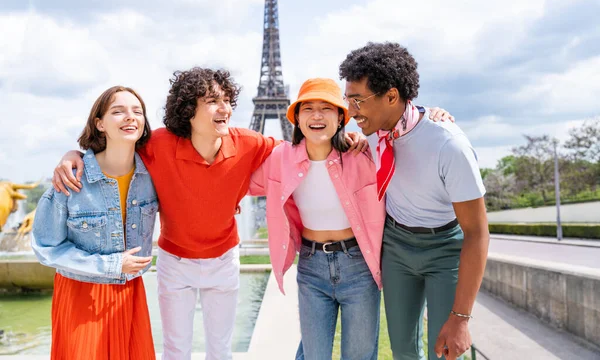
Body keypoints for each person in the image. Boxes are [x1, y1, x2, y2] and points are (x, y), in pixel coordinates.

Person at [50, 68, 368, 360]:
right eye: (213, 101)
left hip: (223, 260)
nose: (225, 108)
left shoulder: (248, 142)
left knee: (220, 350)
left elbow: (301, 149)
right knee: (176, 349)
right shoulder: (157, 144)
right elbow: (115, 147)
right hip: (175, 262)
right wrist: (74, 154)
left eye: (227, 101)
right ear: (189, 110)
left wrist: (345, 138)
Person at [248, 78, 454, 360]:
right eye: (308, 108)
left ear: (341, 117)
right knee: (314, 355)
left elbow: (403, 129)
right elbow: (240, 179)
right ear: (296, 117)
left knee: (359, 355)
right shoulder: (280, 158)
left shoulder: (363, 153)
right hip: (311, 266)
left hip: (358, 266)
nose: (317, 115)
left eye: (326, 108)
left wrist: (430, 113)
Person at [339, 42, 489, 360]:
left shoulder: (449, 145)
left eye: (357, 101)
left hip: (445, 249)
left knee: (445, 351)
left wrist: (461, 318)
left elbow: (476, 232)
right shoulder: (372, 130)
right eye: (347, 99)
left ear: (391, 96)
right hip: (396, 246)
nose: (351, 112)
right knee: (404, 351)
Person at [32, 86, 158, 360]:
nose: (130, 117)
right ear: (99, 123)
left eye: (137, 111)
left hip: (129, 292)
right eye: (118, 111)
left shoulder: (152, 175)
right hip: (81, 295)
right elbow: (46, 247)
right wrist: (111, 265)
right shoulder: (71, 179)